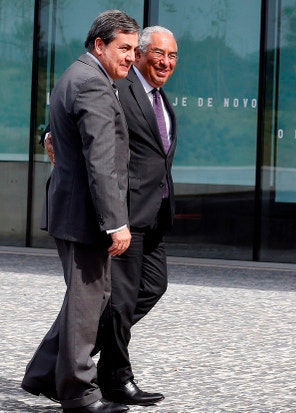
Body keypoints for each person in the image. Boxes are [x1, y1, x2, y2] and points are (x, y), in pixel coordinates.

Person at [41, 26, 179, 407]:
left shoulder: (159, 97)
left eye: (172, 56)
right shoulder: (116, 84)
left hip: (154, 212)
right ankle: (113, 377)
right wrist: (49, 136)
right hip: (124, 213)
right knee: (116, 302)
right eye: (157, 53)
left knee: (149, 288)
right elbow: (80, 123)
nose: (165, 62)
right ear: (139, 54)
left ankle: (52, 364)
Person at [20, 10, 139, 413]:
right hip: (84, 216)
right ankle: (78, 394)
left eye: (134, 49)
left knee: (87, 299)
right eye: (124, 48)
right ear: (99, 45)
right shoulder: (92, 83)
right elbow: (100, 161)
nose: (131, 57)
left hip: (73, 211)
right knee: (87, 304)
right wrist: (116, 222)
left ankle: (43, 374)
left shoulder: (77, 75)